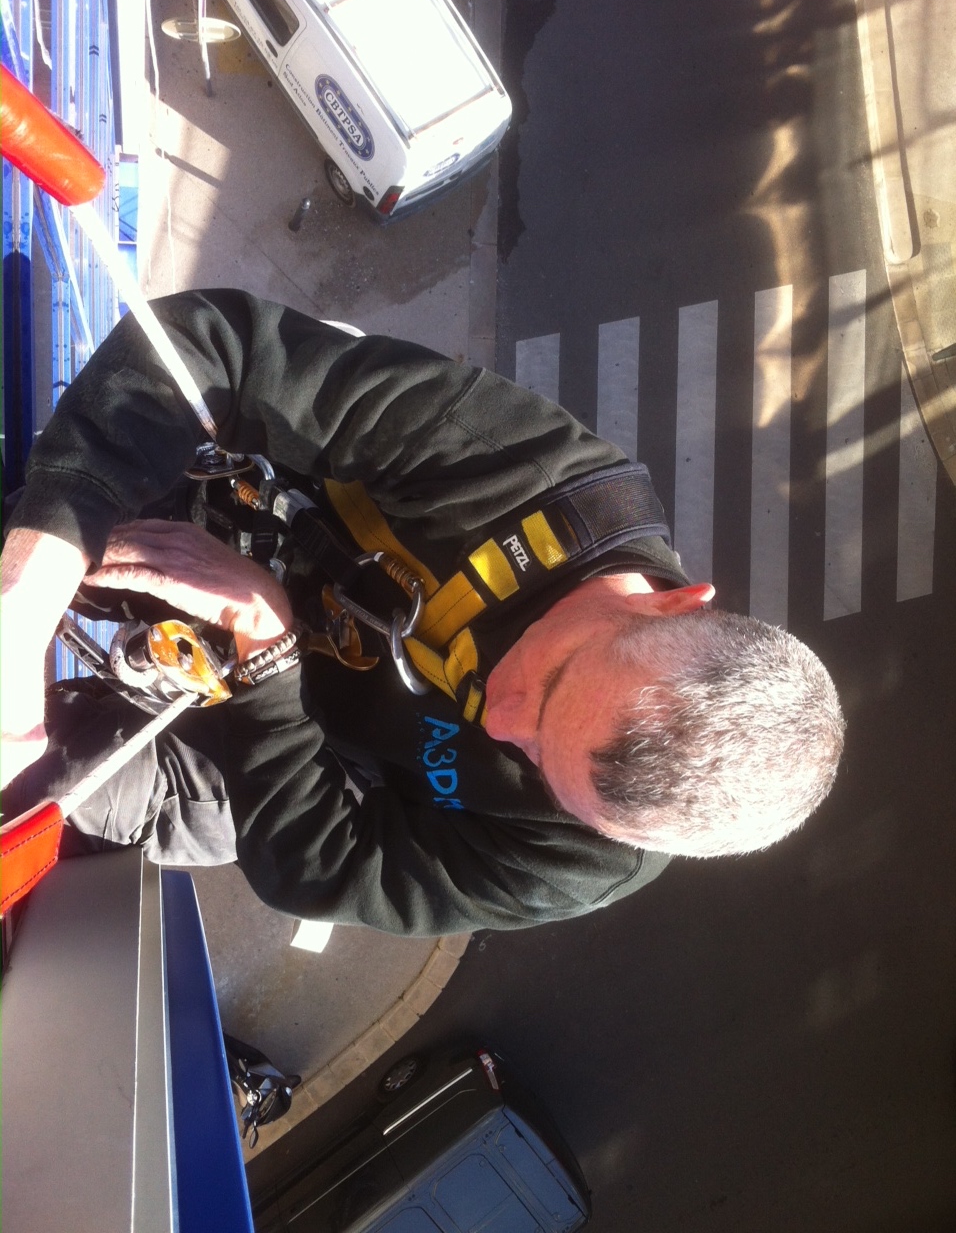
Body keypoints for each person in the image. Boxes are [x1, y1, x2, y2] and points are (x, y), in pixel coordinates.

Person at [0, 289, 844, 936]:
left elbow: (323, 867)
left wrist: (269, 654)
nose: (501, 721)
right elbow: (208, 347)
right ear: (672, 604)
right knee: (43, 531)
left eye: (538, 762)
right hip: (244, 533)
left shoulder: (588, 857)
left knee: (55, 786)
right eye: (554, 682)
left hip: (288, 763)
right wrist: (35, 583)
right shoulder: (532, 476)